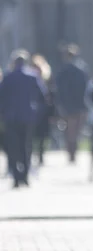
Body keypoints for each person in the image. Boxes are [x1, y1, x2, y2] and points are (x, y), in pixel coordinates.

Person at [0, 50, 46, 188]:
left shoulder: (8, 77)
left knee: (12, 147)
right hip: (28, 117)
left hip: (11, 117)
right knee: (26, 146)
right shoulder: (33, 76)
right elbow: (42, 96)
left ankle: (16, 176)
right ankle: (25, 175)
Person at [55, 44, 88, 163]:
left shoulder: (63, 71)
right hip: (78, 104)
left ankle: (71, 151)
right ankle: (73, 151)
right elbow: (84, 88)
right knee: (75, 129)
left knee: (69, 130)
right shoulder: (80, 71)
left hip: (67, 104)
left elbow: (58, 89)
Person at [29, 54, 55, 166]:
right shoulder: (29, 79)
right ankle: (32, 154)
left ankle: (40, 155)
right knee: (31, 136)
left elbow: (51, 98)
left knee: (42, 136)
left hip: (43, 112)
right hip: (32, 112)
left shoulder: (47, 80)